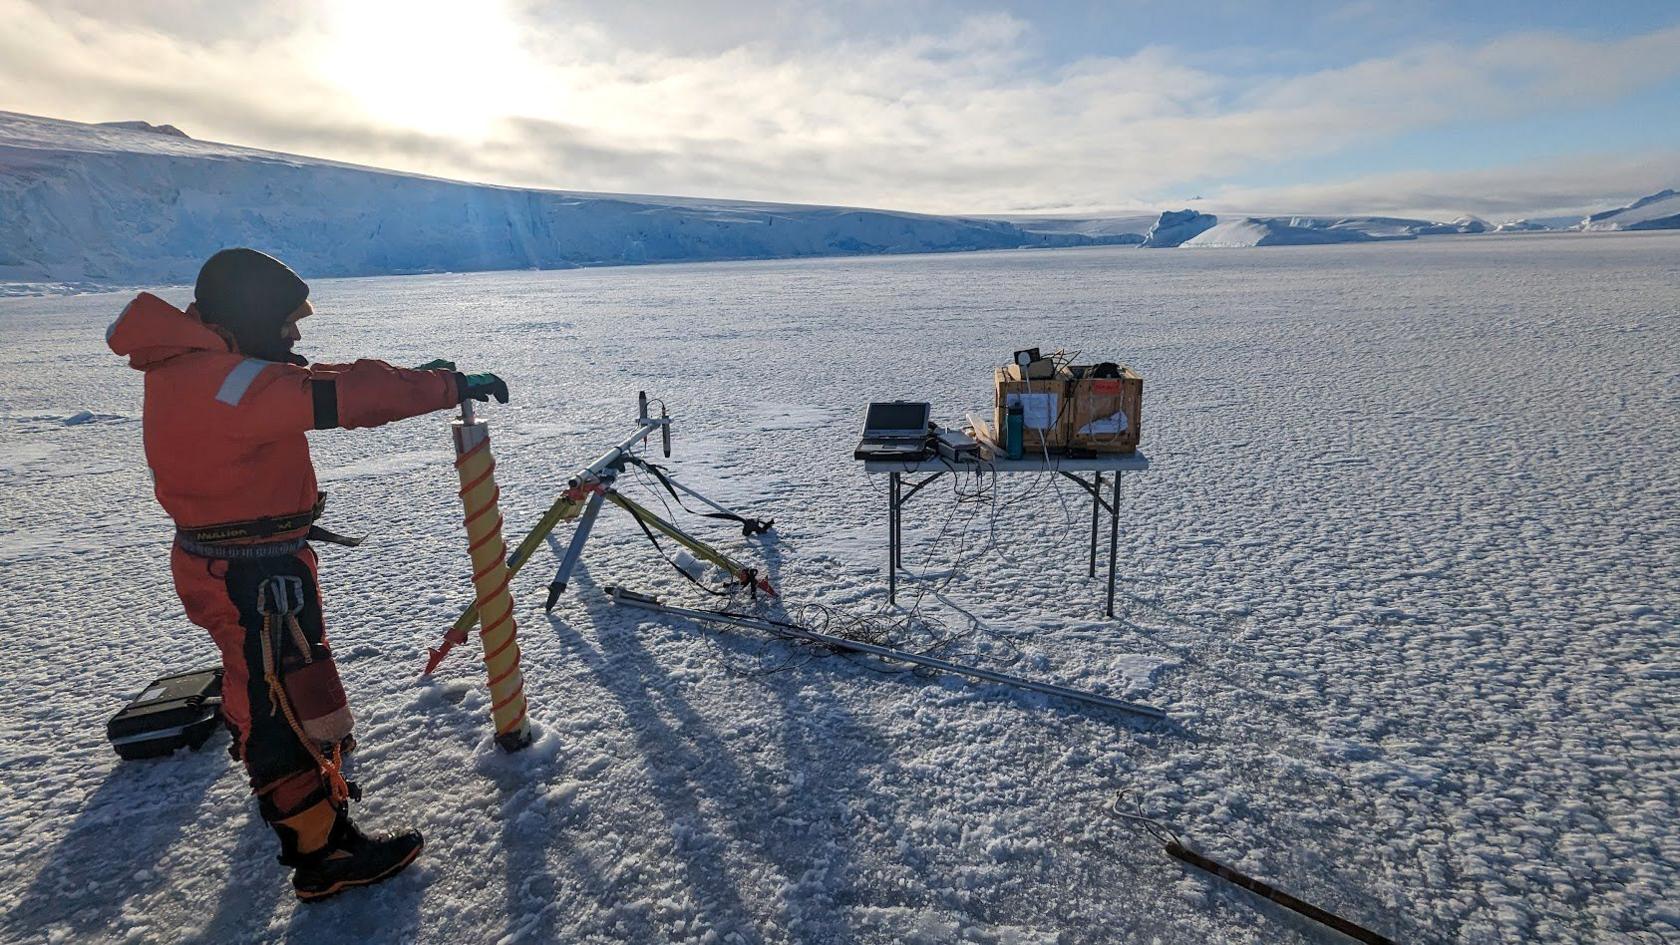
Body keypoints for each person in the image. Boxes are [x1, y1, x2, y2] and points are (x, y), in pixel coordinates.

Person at [106, 248, 509, 901]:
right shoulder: (228, 386)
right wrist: (443, 387)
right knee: (278, 702)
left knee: (269, 680)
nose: (295, 335)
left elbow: (315, 376)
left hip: (243, 565)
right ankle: (321, 852)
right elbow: (344, 395)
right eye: (286, 321)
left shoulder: (205, 369)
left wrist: (417, 376)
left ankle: (304, 769)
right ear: (249, 317)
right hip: (252, 578)